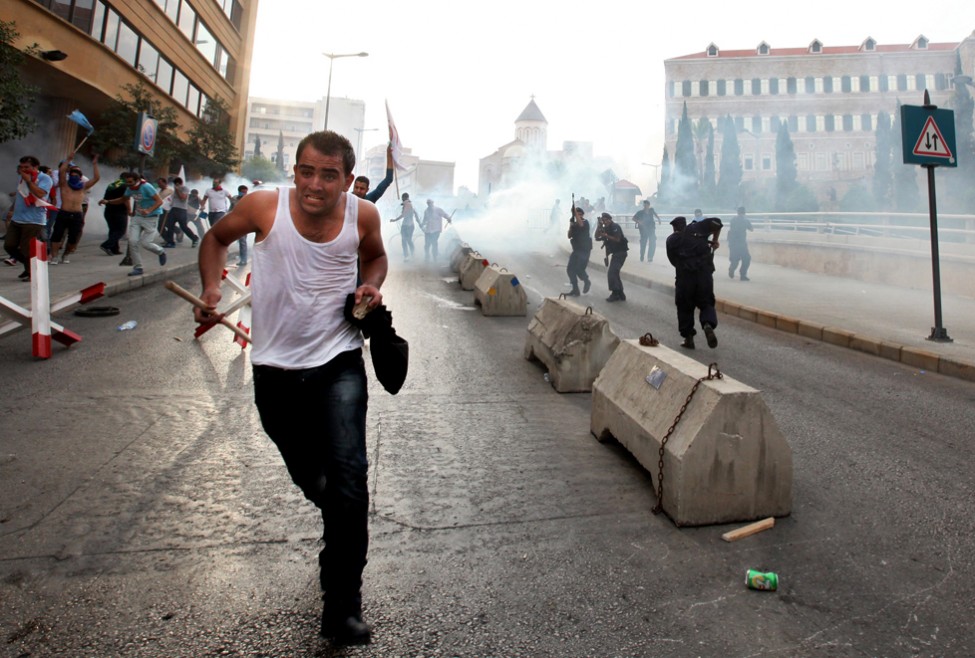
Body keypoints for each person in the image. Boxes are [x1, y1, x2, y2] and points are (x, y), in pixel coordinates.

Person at [194, 130, 386, 645]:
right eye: (306, 171)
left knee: (351, 481)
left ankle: (342, 605)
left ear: (348, 180)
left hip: (339, 361)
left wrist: (373, 284)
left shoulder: (362, 215)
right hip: (275, 371)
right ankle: (336, 514)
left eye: (329, 175)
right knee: (315, 482)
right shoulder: (263, 207)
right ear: (294, 170)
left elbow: (375, 257)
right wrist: (212, 287)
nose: (315, 185)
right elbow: (214, 239)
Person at [666, 214, 723, 349]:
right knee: (706, 303)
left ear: (674, 228)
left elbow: (673, 260)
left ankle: (689, 338)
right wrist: (715, 241)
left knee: (684, 307)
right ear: (685, 224)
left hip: (685, 277)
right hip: (704, 275)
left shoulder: (672, 240)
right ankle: (708, 324)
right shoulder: (697, 228)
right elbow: (718, 223)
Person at [5, 156, 53, 281]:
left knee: (27, 248)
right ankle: (29, 267)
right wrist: (12, 209)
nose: (23, 169)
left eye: (26, 167)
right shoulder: (21, 178)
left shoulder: (45, 178)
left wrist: (29, 181)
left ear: (35, 167)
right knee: (9, 245)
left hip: (34, 220)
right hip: (17, 218)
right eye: (21, 167)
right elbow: (21, 195)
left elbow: (40, 193)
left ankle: (34, 273)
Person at [50, 153, 100, 264]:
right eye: (72, 174)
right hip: (64, 212)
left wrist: (95, 164)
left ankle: (66, 254)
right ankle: (54, 257)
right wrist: (68, 160)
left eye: (77, 175)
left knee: (73, 238)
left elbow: (96, 178)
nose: (74, 176)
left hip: (77, 214)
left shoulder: (83, 187)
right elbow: (62, 172)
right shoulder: (64, 185)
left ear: (80, 177)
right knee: (56, 235)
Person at [121, 172, 167, 276]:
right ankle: (138, 267)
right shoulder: (130, 189)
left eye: (130, 182)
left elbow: (159, 201)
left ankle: (160, 251)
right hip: (137, 217)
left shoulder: (147, 187)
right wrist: (108, 202)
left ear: (137, 180)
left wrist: (148, 210)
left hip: (151, 217)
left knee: (146, 243)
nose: (128, 184)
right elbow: (124, 199)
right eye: (127, 182)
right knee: (132, 241)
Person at [594, 212, 628, 301]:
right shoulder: (605, 228)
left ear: (610, 219)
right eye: (603, 221)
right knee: (615, 273)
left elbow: (617, 239)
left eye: (606, 220)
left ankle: (615, 293)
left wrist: (606, 235)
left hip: (620, 253)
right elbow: (596, 237)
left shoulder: (615, 227)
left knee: (611, 273)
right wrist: (599, 226)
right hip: (615, 253)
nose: (605, 222)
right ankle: (620, 292)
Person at [162, 177, 200, 248]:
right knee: (169, 225)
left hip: (181, 210)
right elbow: (171, 200)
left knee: (183, 227)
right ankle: (170, 242)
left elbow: (182, 198)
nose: (175, 186)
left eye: (176, 184)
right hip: (173, 209)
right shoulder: (174, 191)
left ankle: (194, 238)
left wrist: (178, 190)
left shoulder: (185, 189)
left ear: (179, 184)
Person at [565, 205, 592, 296]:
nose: (578, 216)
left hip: (584, 250)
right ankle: (575, 289)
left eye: (580, 214)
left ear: (582, 215)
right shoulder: (574, 224)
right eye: (577, 214)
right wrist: (571, 225)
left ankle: (586, 281)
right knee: (570, 269)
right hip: (576, 250)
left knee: (579, 269)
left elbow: (581, 224)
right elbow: (569, 236)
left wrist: (575, 213)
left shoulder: (585, 222)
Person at [98, 176, 129, 255]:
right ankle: (106, 245)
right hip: (120, 211)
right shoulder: (125, 186)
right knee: (121, 230)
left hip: (109, 210)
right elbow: (125, 199)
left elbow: (105, 197)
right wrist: (129, 210)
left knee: (113, 230)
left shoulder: (112, 185)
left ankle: (114, 249)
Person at [727, 206, 754, 281]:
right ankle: (743, 275)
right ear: (744, 213)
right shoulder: (745, 220)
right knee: (746, 259)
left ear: (737, 212)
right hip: (741, 243)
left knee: (735, 260)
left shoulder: (732, 219)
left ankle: (731, 269)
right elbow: (751, 229)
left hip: (732, 243)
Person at [389, 192, 417, 260]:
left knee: (405, 241)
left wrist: (395, 220)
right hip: (410, 225)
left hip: (407, 226)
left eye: (402, 198)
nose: (402, 199)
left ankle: (407, 256)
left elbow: (403, 214)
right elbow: (415, 214)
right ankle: (412, 254)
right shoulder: (409, 204)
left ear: (404, 198)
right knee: (408, 240)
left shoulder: (407, 204)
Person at [230, 184, 249, 265]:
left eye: (245, 192)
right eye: (243, 192)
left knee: (242, 241)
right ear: (239, 192)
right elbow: (231, 208)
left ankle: (243, 259)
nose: (244, 193)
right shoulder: (234, 199)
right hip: (235, 221)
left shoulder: (249, 199)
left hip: (245, 222)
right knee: (240, 240)